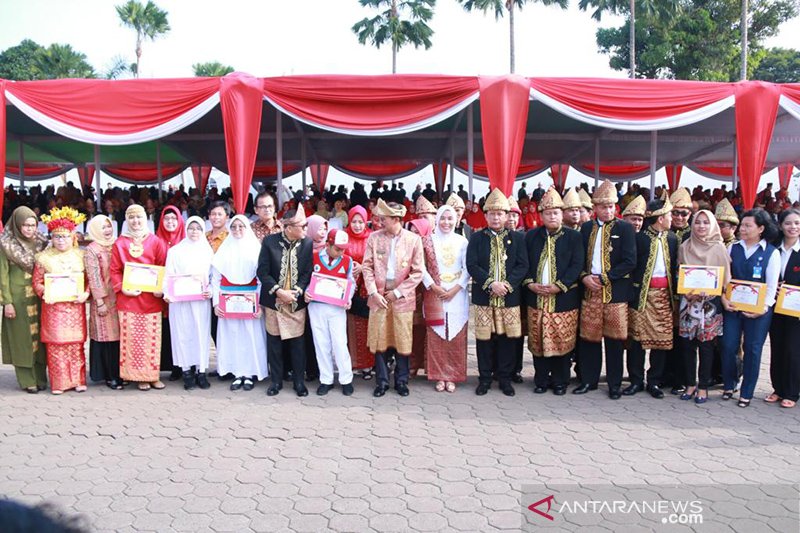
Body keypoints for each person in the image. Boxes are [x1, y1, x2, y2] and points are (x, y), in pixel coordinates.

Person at [575, 180, 636, 399]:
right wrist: (584, 277)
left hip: (615, 293)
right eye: (603, 207)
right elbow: (579, 259)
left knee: (615, 340)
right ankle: (588, 381)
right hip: (590, 291)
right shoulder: (585, 228)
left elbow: (630, 261)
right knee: (589, 339)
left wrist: (605, 277)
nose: (608, 210)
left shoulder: (625, 228)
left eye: (611, 206)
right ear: (595, 208)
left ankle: (614, 384)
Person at [467, 189, 529, 397]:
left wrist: (506, 285)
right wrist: (490, 283)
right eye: (491, 213)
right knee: (485, 339)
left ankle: (505, 378)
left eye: (500, 213)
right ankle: (484, 378)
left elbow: (522, 265)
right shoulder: (476, 238)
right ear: (485, 216)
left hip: (509, 297)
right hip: (484, 296)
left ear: (506, 215)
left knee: (507, 339)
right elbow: (472, 264)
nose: (496, 217)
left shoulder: (518, 238)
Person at [523, 189, 583, 395]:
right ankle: (540, 380)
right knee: (538, 339)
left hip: (563, 298)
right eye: (548, 213)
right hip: (536, 297)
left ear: (562, 214)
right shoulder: (531, 236)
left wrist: (560, 285)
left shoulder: (574, 237)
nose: (552, 216)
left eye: (556, 212)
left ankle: (560, 381)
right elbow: (524, 264)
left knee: (561, 339)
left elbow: (577, 265)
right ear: (541, 215)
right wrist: (530, 283)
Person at [362, 199, 424, 398]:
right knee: (379, 339)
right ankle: (381, 381)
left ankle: (402, 381)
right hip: (378, 296)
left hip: (402, 298)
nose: (380, 222)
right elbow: (367, 266)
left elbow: (417, 272)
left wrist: (397, 292)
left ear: (396, 219)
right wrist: (373, 291)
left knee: (402, 340)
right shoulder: (374, 238)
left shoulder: (413, 240)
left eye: (384, 218)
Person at [720, 209, 780, 407]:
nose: (743, 229)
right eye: (742, 225)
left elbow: (772, 286)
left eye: (748, 226)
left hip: (759, 311)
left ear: (761, 229)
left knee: (753, 350)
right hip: (733, 307)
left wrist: (763, 308)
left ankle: (747, 391)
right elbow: (726, 277)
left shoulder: (771, 253)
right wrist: (724, 298)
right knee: (729, 346)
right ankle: (730, 384)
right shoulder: (733, 248)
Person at [110, 204, 168, 391]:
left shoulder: (155, 241)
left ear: (146, 219)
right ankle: (138, 377)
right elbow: (115, 270)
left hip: (151, 299)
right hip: (129, 299)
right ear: (126, 220)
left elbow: (163, 266)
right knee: (133, 340)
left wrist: (161, 288)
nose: (136, 222)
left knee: (152, 339)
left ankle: (153, 375)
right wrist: (123, 289)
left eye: (139, 218)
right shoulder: (120, 243)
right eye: (132, 218)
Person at [33, 207, 91, 395]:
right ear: (51, 238)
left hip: (75, 308)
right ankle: (59, 383)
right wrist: (45, 292)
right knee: (56, 345)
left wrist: (86, 294)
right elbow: (37, 282)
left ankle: (78, 380)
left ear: (72, 236)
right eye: (57, 237)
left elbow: (89, 280)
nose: (61, 240)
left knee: (75, 345)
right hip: (54, 308)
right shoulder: (43, 258)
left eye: (65, 236)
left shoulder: (81, 256)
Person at [625, 199, 678, 399]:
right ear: (661, 218)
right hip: (641, 296)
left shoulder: (672, 239)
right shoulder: (640, 239)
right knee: (636, 341)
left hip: (664, 296)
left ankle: (654, 381)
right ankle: (635, 380)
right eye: (670, 215)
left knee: (660, 341)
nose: (672, 219)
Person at [258, 208, 314, 397]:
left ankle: (299, 381)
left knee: (298, 344)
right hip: (274, 300)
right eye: (302, 226)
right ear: (289, 227)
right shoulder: (269, 242)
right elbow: (262, 272)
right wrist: (279, 291)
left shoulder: (307, 243)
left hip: (296, 301)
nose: (306, 229)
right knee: (274, 343)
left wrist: (296, 292)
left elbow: (307, 272)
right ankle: (276, 381)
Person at [677, 210, 730, 405]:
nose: (701, 226)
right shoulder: (685, 247)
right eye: (697, 222)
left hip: (710, 305)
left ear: (712, 225)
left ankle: (703, 387)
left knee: (706, 347)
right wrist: (687, 292)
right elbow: (680, 273)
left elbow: (725, 279)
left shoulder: (719, 248)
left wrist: (714, 292)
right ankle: (690, 384)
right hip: (689, 303)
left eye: (706, 223)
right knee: (687, 346)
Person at [211, 216, 268, 391]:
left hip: (250, 301)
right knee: (233, 337)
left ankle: (250, 373)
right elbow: (215, 279)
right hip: (228, 302)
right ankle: (236, 372)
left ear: (247, 228)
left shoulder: (256, 250)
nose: (237, 230)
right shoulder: (224, 250)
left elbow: (261, 279)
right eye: (234, 227)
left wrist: (259, 304)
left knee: (250, 338)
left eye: (241, 226)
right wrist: (216, 304)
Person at [420, 206, 470, 393]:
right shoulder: (427, 241)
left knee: (456, 335)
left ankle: (453, 376)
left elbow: (467, 268)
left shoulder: (462, 241)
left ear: (456, 220)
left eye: (450, 219)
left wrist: (456, 289)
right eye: (443, 218)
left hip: (457, 293)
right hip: (435, 292)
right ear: (437, 220)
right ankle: (439, 376)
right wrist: (434, 286)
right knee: (437, 336)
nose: (446, 223)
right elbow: (421, 267)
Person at [0, 206, 48, 393]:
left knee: (40, 339)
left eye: (33, 225)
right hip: (17, 300)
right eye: (25, 225)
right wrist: (7, 302)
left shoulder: (41, 243)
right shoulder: (5, 245)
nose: (29, 229)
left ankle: (40, 377)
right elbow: (2, 275)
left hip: (39, 297)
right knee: (22, 339)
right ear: (17, 225)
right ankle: (27, 380)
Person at [164, 216, 214, 390]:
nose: (195, 232)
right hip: (180, 302)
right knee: (183, 334)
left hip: (200, 301)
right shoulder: (176, 251)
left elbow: (213, 277)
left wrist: (211, 290)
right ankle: (186, 371)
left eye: (198, 228)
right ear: (186, 230)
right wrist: (167, 293)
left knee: (200, 334)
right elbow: (168, 275)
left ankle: (201, 371)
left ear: (202, 230)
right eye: (191, 228)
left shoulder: (207, 251)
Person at [305, 229, 356, 396]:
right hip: (317, 305)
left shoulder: (347, 261)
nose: (341, 252)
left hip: (336, 307)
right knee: (321, 343)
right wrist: (306, 292)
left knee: (340, 343)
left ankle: (346, 379)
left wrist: (348, 297)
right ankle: (326, 379)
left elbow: (351, 283)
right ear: (328, 244)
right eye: (337, 248)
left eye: (343, 249)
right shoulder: (313, 257)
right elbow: (306, 279)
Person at [766, 208, 800, 408]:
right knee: (777, 347)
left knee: (793, 350)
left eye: (797, 223)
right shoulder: (773, 248)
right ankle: (778, 388)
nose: (793, 227)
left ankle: (792, 392)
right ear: (780, 225)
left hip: (797, 309)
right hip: (776, 306)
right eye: (788, 223)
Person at [85, 215, 122, 390]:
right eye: (103, 228)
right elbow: (94, 277)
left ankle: (120, 372)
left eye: (109, 226)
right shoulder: (92, 249)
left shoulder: (118, 244)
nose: (107, 231)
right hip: (104, 300)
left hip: (121, 297)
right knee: (106, 337)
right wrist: (99, 301)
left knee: (119, 337)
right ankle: (110, 375)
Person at [156, 205, 186, 382]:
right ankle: (171, 365)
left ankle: (184, 365)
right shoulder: (155, 241)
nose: (170, 222)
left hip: (183, 295)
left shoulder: (185, 241)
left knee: (182, 329)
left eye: (174, 219)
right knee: (167, 330)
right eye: (166, 219)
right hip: (161, 295)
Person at [345, 206, 375, 381]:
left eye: (360, 222)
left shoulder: (372, 237)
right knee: (350, 328)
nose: (357, 225)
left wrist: (362, 267)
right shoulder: (343, 236)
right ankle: (354, 363)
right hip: (349, 290)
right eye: (354, 221)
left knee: (367, 328)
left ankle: (368, 365)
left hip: (367, 290)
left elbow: (378, 262)